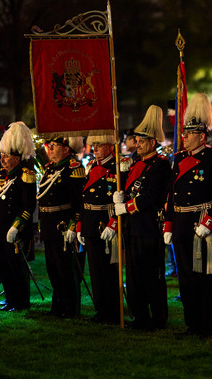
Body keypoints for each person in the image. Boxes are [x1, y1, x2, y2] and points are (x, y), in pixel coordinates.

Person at [163, 93, 212, 339]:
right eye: (184, 134)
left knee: (204, 278)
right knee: (186, 279)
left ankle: (209, 328)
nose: (185, 137)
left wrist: (210, 223)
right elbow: (171, 194)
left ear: (202, 136)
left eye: (189, 134)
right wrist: (168, 224)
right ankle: (192, 325)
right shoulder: (179, 159)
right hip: (181, 224)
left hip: (201, 225)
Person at [113, 105, 170, 331]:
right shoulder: (136, 163)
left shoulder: (160, 165)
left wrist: (126, 206)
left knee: (151, 275)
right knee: (134, 274)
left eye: (142, 141)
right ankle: (140, 316)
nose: (137, 144)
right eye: (137, 140)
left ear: (153, 142)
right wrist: (121, 197)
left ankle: (157, 317)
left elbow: (149, 198)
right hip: (133, 227)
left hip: (149, 227)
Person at [0, 121, 36, 311]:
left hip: (14, 230)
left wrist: (16, 226)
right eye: (2, 155)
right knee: (2, 267)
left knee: (16, 267)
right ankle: (10, 298)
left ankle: (21, 301)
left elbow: (28, 205)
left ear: (17, 158)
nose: (3, 159)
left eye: (7, 156)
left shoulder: (25, 175)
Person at [37, 135, 86, 318]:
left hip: (63, 225)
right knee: (52, 268)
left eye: (55, 146)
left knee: (66, 269)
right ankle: (57, 305)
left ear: (66, 149)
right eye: (50, 146)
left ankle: (70, 307)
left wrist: (74, 225)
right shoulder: (50, 169)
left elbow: (78, 201)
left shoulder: (74, 169)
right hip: (49, 225)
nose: (50, 149)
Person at [78, 134, 120, 324]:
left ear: (110, 146)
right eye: (93, 145)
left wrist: (114, 224)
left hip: (106, 222)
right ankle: (101, 309)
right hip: (90, 223)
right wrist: (80, 225)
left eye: (99, 145)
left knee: (108, 270)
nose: (94, 148)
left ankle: (111, 310)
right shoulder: (93, 166)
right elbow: (84, 198)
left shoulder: (117, 167)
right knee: (95, 270)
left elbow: (121, 198)